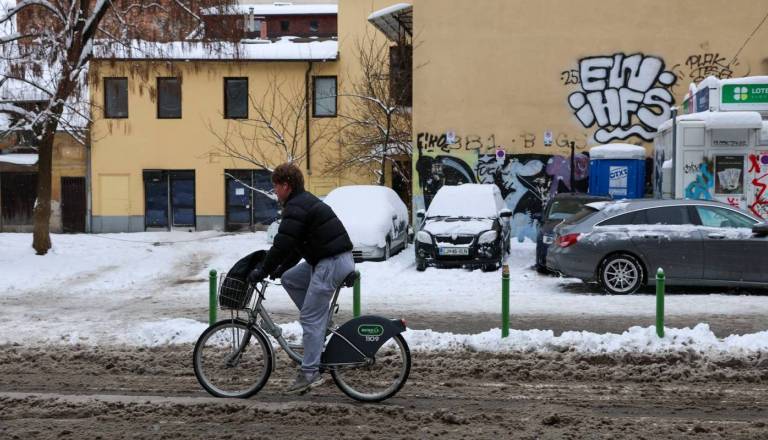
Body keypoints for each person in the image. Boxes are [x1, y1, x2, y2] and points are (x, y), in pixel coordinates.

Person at [248, 162, 354, 394]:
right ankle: (321, 323)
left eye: (276, 186)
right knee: (290, 279)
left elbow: (282, 244)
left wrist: (262, 271)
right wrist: (281, 268)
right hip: (329, 260)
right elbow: (295, 246)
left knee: (310, 317)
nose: (275, 191)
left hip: (331, 262)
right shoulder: (301, 203)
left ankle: (310, 373)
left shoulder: (296, 207)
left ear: (286, 185)